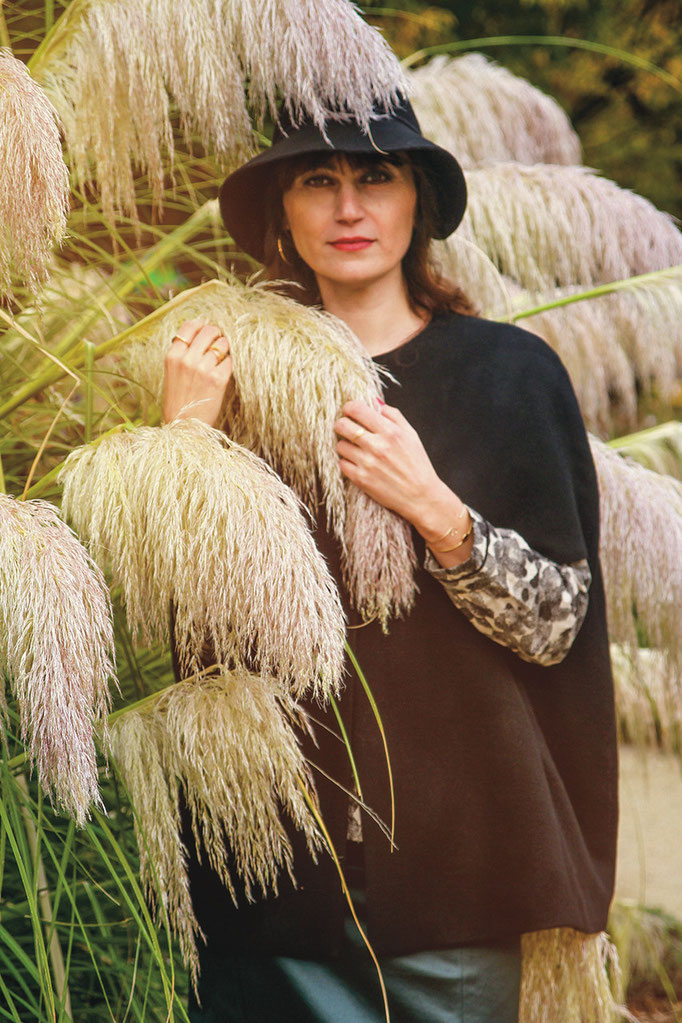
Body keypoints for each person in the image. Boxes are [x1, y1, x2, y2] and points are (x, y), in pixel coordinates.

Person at [163, 96, 618, 1023]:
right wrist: (181, 447)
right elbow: (184, 632)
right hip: (271, 876)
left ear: (417, 202)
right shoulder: (227, 385)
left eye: (376, 176)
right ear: (282, 215)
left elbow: (558, 626)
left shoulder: (509, 374)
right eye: (316, 181)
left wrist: (437, 510)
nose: (348, 208)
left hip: (454, 875)